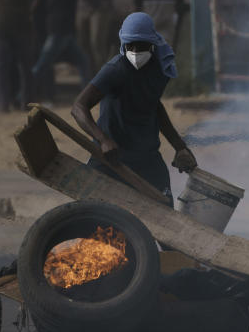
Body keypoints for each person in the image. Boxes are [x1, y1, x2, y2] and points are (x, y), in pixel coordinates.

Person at [71, 12, 197, 203]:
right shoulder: (116, 69)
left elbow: (154, 105)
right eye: (131, 45)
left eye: (142, 45)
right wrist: (103, 140)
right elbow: (79, 107)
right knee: (94, 214)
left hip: (147, 157)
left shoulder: (160, 69)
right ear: (123, 44)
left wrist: (180, 147)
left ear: (152, 44)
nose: (136, 51)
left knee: (164, 212)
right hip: (111, 157)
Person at [31, 0, 91, 104]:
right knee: (42, 64)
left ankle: (87, 97)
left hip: (57, 25)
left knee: (82, 61)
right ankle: (22, 95)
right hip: (61, 28)